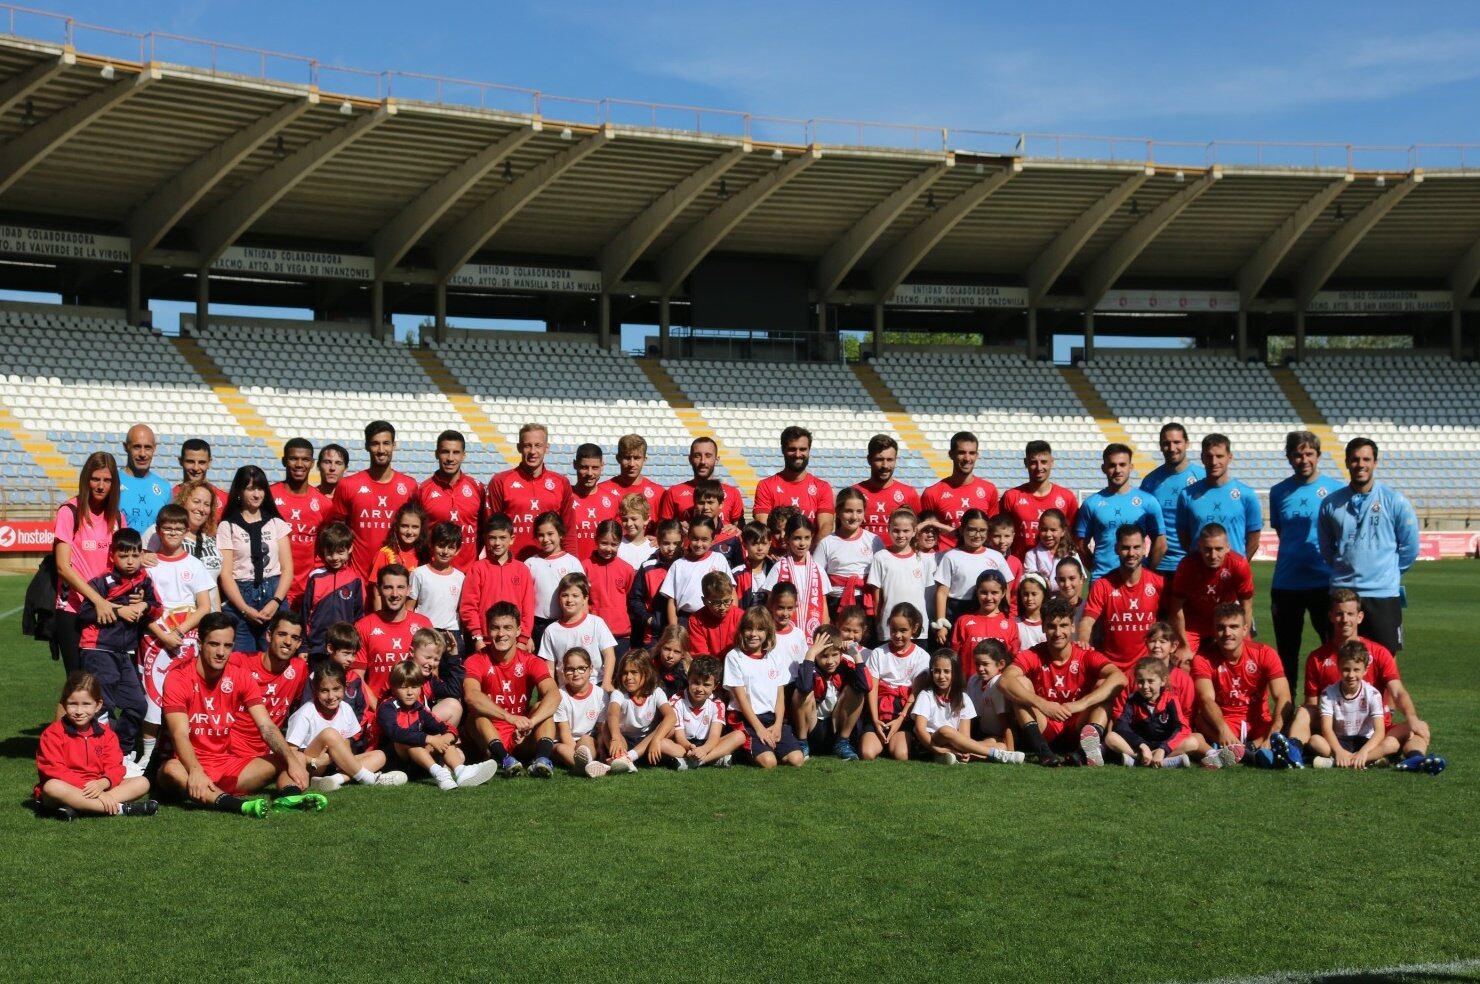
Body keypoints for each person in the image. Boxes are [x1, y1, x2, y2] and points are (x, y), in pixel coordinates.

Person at [157, 613, 318, 817]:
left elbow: (266, 727)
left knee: (294, 756)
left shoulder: (240, 676)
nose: (221, 653)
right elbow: (180, 733)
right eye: (214, 644)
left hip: (229, 766)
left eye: (228, 646)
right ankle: (237, 805)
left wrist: (292, 762)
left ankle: (290, 796)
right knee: (170, 770)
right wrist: (196, 770)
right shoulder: (177, 678)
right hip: (189, 765)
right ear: (199, 643)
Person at [1281, 589, 1440, 773]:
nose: (1345, 619)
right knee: (1304, 712)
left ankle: (1416, 760)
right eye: (1339, 614)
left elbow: (1397, 691)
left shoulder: (1379, 652)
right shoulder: (1317, 657)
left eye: (1350, 614)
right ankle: (1293, 754)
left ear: (1360, 617)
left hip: (1374, 729)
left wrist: (1412, 718)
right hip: (1335, 731)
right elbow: (1312, 705)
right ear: (1331, 616)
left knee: (1420, 728)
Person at [1317, 437, 1420, 654]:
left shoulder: (1394, 500)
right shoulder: (1330, 503)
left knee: (1385, 663)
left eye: (1366, 459)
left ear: (1375, 462)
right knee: (1341, 663)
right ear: (1346, 462)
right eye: (1355, 459)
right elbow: (1326, 548)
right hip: (1343, 594)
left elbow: (1410, 548)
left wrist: (1387, 572)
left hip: (1382, 595)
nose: (1360, 464)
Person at [1000, 597, 1125, 767]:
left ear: (1073, 626)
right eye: (1051, 626)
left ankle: (1083, 753)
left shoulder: (1085, 655)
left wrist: (1081, 704)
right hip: (1046, 727)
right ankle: (1043, 753)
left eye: (1063, 626)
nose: (1058, 633)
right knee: (1019, 685)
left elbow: (1120, 678)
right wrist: (1043, 704)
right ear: (1043, 627)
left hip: (1078, 726)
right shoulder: (1034, 654)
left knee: (1104, 686)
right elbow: (1004, 681)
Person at [135, 505, 213, 767]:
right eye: (167, 528)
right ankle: (147, 756)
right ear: (158, 530)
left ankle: (183, 753)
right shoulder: (148, 565)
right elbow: (142, 609)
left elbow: (204, 607)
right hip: (153, 640)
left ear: (186, 531)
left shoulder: (195, 565)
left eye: (179, 528)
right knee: (152, 699)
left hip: (186, 642)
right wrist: (162, 634)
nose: (173, 533)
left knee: (186, 697)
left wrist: (179, 631)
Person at [1268, 430, 1346, 689]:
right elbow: (1282, 531)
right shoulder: (1278, 491)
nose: (1304, 460)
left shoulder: (1335, 490)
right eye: (1298, 455)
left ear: (1319, 455)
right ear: (1289, 457)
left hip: (1323, 582)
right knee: (1287, 653)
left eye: (1309, 454)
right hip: (1287, 583)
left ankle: (1330, 708)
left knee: (1331, 650)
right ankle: (1288, 712)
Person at [76, 529, 161, 762]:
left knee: (137, 706)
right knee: (103, 707)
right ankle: (100, 756)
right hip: (98, 650)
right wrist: (117, 609)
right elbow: (83, 615)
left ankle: (121, 753)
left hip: (125, 653)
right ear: (112, 556)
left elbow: (156, 606)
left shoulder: (144, 581)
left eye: (134, 555)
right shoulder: (101, 582)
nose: (130, 561)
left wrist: (143, 606)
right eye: (124, 556)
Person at [35, 671, 155, 819]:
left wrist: (103, 783)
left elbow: (115, 767)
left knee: (142, 782)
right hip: (68, 787)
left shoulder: (107, 734)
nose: (79, 711)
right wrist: (95, 792)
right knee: (52, 787)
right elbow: (55, 770)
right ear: (64, 704)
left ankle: (78, 807)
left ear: (98, 705)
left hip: (99, 786)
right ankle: (121, 809)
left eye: (86, 704)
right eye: (73, 704)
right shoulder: (52, 733)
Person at [463, 600, 560, 778]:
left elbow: (554, 695)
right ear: (487, 630)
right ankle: (505, 760)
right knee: (476, 715)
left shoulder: (531, 661)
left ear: (518, 630)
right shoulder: (475, 660)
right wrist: (510, 717)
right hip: (488, 737)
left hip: (521, 735)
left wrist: (531, 722)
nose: (501, 634)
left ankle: (542, 760)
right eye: (495, 628)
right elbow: (471, 696)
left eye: (508, 627)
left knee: (542, 707)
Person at [52, 451, 127, 673]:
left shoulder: (118, 518)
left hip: (105, 609)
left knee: (97, 684)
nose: (101, 485)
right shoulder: (70, 511)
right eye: (96, 479)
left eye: (107, 480)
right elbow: (63, 567)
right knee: (77, 684)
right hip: (73, 609)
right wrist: (97, 600)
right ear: (86, 479)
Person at [283, 661, 406, 791]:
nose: (331, 696)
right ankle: (370, 779)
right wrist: (315, 762)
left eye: (336, 689)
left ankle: (334, 779)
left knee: (380, 755)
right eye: (324, 691)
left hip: (334, 764)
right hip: (313, 766)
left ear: (345, 687)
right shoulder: (304, 713)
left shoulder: (346, 708)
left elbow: (346, 741)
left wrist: (343, 760)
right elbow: (291, 754)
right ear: (315, 690)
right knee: (329, 734)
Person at [1191, 604, 1291, 762]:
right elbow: (1206, 699)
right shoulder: (1202, 659)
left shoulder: (1265, 653)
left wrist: (1273, 733)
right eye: (1221, 627)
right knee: (1199, 719)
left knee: (1286, 716)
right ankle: (1248, 753)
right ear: (1214, 630)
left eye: (1233, 627)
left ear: (1245, 629)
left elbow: (1283, 696)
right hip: (1223, 726)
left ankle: (1245, 750)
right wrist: (1223, 729)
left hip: (1259, 726)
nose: (1227, 633)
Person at [378, 659, 495, 790]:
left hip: (418, 762)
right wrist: (430, 739)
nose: (410, 692)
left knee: (445, 740)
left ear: (421, 687)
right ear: (393, 688)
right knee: (407, 740)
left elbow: (443, 725)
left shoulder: (419, 708)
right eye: (404, 687)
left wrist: (448, 736)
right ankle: (440, 773)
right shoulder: (387, 707)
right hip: (395, 762)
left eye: (414, 686)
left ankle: (461, 771)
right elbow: (395, 733)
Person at [216, 465, 294, 653]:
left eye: (260, 489)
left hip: (273, 593)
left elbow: (288, 568)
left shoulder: (276, 523)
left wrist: (275, 601)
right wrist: (244, 608)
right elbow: (226, 574)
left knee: (275, 656)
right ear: (240, 491)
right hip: (240, 596)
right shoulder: (227, 526)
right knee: (241, 660)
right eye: (250, 489)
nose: (257, 494)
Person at [329, 421, 418, 580]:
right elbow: (336, 532)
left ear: (394, 445)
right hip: (356, 578)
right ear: (366, 446)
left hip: (395, 581)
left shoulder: (410, 486)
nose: (381, 450)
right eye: (375, 444)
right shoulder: (348, 485)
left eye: (386, 443)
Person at [1078, 525, 1165, 682]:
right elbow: (1087, 620)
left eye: (1136, 547)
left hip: (1147, 669)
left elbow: (1170, 620)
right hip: (1112, 669)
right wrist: (1083, 640)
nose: (1131, 553)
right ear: (1116, 548)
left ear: (1145, 548)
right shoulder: (1103, 585)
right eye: (1125, 548)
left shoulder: (1158, 583)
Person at [722, 607, 805, 769]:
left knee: (797, 759)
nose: (753, 634)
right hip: (747, 720)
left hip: (772, 718)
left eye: (760, 629)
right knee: (769, 762)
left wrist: (779, 724)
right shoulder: (734, 657)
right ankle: (741, 750)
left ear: (768, 632)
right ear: (741, 631)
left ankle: (767, 745)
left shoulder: (774, 656)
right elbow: (741, 699)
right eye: (749, 628)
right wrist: (759, 729)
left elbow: (780, 695)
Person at [1075, 444, 1166, 581]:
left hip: (1137, 580)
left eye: (1122, 464)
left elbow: (1160, 542)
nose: (1117, 470)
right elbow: (1080, 544)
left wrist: (1147, 570)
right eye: (1112, 465)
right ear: (1103, 468)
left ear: (1131, 467)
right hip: (1102, 578)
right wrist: (1097, 567)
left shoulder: (1148, 501)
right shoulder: (1091, 503)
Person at [486, 422, 575, 561]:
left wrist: (571, 564)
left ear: (547, 447)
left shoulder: (561, 483)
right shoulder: (500, 481)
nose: (533, 451)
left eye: (538, 445)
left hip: (549, 566)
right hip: (511, 565)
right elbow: (490, 529)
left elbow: (568, 530)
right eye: (527, 445)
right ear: (519, 448)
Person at [1303, 641, 1394, 770]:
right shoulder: (1328, 694)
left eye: (1356, 670)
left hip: (1365, 741)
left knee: (1392, 743)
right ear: (1338, 668)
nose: (1351, 675)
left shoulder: (1373, 694)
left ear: (1365, 670)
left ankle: (1345, 761)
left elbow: (1379, 731)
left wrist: (1363, 752)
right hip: (1340, 741)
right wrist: (1339, 751)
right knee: (1315, 740)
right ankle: (1365, 761)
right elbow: (1326, 729)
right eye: (1346, 669)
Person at [1167, 524, 1254, 657]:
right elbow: (1176, 608)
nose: (1213, 555)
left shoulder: (1239, 564)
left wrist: (1244, 637)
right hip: (1193, 622)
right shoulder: (1187, 565)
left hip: (1226, 620)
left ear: (1227, 547)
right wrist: (1184, 644)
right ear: (1199, 547)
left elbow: (1246, 606)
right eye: (1207, 549)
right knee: (1181, 659)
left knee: (1243, 655)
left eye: (1218, 549)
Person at [913, 649, 1013, 765]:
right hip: (932, 740)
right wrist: (937, 749)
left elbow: (965, 735)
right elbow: (920, 729)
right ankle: (994, 754)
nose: (941, 676)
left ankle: (955, 755)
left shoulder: (964, 698)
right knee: (946, 730)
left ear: (955, 673)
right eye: (937, 671)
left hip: (955, 742)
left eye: (946, 671)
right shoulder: (926, 695)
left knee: (999, 744)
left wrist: (965, 749)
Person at [1175, 433, 1262, 560]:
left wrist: (1239, 565)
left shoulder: (1246, 495)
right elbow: (1184, 536)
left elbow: (1254, 538)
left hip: (1233, 574)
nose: (1214, 462)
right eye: (1209, 456)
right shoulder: (1187, 495)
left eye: (1219, 456)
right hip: (1200, 574)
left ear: (1229, 457)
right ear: (1202, 458)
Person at [861, 603, 930, 761]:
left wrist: (900, 719)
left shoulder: (922, 656)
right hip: (878, 710)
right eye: (893, 630)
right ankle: (881, 737)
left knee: (900, 755)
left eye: (903, 630)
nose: (897, 635)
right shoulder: (879, 653)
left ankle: (899, 740)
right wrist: (875, 719)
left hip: (903, 712)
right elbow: (872, 688)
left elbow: (916, 692)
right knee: (867, 753)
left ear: (914, 628)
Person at [460, 514, 535, 654]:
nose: (497, 543)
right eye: (492, 538)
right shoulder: (477, 568)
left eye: (502, 537)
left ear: (512, 539)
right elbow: (469, 606)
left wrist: (524, 638)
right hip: (485, 641)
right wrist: (477, 637)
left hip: (514, 641)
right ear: (486, 540)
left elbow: (528, 608)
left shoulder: (522, 570)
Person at [353, 565, 433, 695]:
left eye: (400, 587)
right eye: (388, 587)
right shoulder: (363, 626)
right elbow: (357, 678)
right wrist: (378, 709)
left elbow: (432, 673)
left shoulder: (423, 624)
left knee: (453, 706)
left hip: (415, 710)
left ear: (408, 590)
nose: (395, 594)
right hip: (376, 709)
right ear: (378, 590)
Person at [932, 509, 1012, 637]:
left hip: (988, 609)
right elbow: (942, 592)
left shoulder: (996, 556)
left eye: (982, 530)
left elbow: (1006, 589)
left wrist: (1005, 615)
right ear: (962, 530)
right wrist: (941, 623)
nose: (977, 535)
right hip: (957, 611)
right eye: (972, 529)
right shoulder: (951, 556)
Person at [1107, 656, 1198, 768]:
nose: (1145, 686)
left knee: (1193, 742)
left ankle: (1142, 760)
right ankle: (1148, 759)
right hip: (1139, 746)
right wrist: (1142, 745)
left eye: (1150, 681)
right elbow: (1122, 725)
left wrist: (1163, 749)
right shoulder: (1132, 700)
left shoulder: (1170, 700)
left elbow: (1182, 728)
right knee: (1110, 737)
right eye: (1140, 681)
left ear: (1163, 681)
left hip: (1164, 745)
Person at [271, 437, 331, 608]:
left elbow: (324, 546)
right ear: (284, 461)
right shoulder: (269, 497)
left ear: (312, 463)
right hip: (273, 588)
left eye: (305, 459)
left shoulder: (323, 504)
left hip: (308, 591)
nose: (299, 464)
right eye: (293, 458)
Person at [1139, 422, 1205, 577]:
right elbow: (1141, 525)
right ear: (1161, 446)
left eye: (1177, 442)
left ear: (1187, 444)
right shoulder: (1150, 481)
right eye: (1166, 443)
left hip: (1195, 564)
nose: (1172, 447)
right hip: (1160, 565)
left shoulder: (1202, 477)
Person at [793, 625, 867, 761]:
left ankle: (842, 743)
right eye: (824, 656)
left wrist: (855, 655)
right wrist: (810, 654)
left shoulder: (845, 665)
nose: (830, 661)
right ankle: (802, 743)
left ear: (841, 653)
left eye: (835, 655)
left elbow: (865, 687)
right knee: (802, 693)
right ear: (816, 654)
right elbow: (803, 688)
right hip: (813, 727)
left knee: (857, 692)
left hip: (835, 726)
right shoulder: (809, 666)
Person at [415, 429, 484, 572]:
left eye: (456, 452)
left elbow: (485, 530)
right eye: (445, 452)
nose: (450, 458)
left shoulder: (477, 488)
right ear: (436, 454)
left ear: (464, 455)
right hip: (434, 572)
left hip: (469, 574)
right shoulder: (423, 490)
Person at [1000, 440, 1079, 562]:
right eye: (1033, 462)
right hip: (1020, 569)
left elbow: (1073, 535)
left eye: (1043, 462)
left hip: (1055, 571)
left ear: (1052, 462)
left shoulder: (1067, 498)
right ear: (1025, 463)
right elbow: (1000, 532)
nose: (1039, 467)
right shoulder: (1011, 497)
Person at [538, 571, 619, 691]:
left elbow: (609, 654)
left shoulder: (596, 623)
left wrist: (606, 682)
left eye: (575, 596)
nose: (569, 600)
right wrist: (552, 691)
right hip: (565, 689)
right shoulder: (551, 631)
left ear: (585, 599)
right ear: (559, 598)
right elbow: (549, 667)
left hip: (595, 683)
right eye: (565, 595)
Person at [921, 431, 999, 551]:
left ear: (977, 455)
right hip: (944, 558)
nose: (967, 458)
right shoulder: (932, 493)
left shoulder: (989, 490)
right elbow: (924, 530)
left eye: (972, 453)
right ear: (951, 454)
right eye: (961, 453)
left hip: (977, 559)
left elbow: (993, 529)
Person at [753, 425, 836, 538]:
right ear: (783, 450)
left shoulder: (822, 487)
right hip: (775, 555)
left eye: (802, 449)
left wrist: (809, 554)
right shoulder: (766, 486)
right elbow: (763, 527)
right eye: (792, 449)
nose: (798, 454)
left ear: (809, 450)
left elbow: (826, 526)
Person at [662, 656, 744, 768]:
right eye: (696, 682)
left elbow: (715, 735)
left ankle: (698, 761)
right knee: (662, 743)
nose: (700, 689)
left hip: (708, 744)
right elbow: (679, 736)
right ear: (688, 679)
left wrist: (704, 750)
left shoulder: (718, 704)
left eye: (706, 685)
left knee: (739, 736)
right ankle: (714, 759)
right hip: (685, 745)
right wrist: (691, 748)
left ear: (715, 686)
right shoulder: (676, 700)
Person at [603, 649, 676, 772]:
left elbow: (671, 716)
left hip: (647, 741)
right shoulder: (619, 693)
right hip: (623, 739)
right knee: (606, 728)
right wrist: (615, 738)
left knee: (670, 728)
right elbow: (613, 713)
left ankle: (628, 758)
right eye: (625, 673)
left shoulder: (656, 692)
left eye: (634, 672)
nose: (629, 677)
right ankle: (621, 757)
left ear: (646, 674)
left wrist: (657, 739)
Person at [814, 487, 883, 616]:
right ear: (838, 512)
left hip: (865, 602)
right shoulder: (827, 543)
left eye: (859, 511)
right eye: (848, 511)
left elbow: (882, 576)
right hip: (835, 603)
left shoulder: (874, 541)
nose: (854, 517)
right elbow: (816, 579)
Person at [762, 514, 832, 642]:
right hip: (782, 634)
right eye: (797, 538)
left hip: (813, 635)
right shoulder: (779, 568)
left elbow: (824, 606)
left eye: (807, 538)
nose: (802, 543)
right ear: (787, 538)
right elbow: (769, 604)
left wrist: (824, 632)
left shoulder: (818, 569)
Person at [300, 522, 364, 659]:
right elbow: (305, 613)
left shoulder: (354, 579)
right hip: (317, 646)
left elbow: (358, 617)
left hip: (343, 648)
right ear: (323, 551)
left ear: (350, 548)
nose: (334, 558)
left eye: (340, 552)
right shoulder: (315, 576)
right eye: (330, 552)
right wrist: (304, 646)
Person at [865, 508, 929, 643]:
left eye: (906, 531)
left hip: (918, 629)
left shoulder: (923, 559)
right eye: (896, 530)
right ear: (888, 530)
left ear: (914, 531)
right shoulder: (881, 557)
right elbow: (877, 598)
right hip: (890, 628)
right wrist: (877, 623)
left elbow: (926, 597)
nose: (900, 535)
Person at [657, 436, 745, 530]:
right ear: (690, 459)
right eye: (697, 456)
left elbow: (740, 530)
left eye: (708, 455)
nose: (703, 461)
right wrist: (677, 528)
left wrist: (737, 530)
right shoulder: (674, 492)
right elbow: (662, 531)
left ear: (716, 459)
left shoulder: (733, 493)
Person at [162, 479, 224, 612]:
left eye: (206, 504)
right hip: (179, 619)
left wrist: (218, 615)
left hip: (210, 621)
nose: (201, 509)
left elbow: (213, 584)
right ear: (183, 502)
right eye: (196, 502)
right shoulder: (165, 532)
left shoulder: (213, 538)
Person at [659, 515, 733, 627]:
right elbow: (672, 601)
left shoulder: (719, 559)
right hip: (686, 620)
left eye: (704, 539)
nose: (699, 544)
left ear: (713, 539)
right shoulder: (678, 565)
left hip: (715, 618)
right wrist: (674, 630)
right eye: (695, 539)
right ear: (688, 537)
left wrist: (731, 620)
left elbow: (732, 592)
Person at [526, 511, 584, 647]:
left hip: (566, 623)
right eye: (541, 535)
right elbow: (523, 600)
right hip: (537, 626)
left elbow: (583, 598)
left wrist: (581, 625)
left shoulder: (572, 562)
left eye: (550, 534)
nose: (545, 539)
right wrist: (526, 634)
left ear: (561, 534)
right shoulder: (530, 563)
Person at [551, 647, 611, 777]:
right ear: (563, 671)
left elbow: (602, 730)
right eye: (570, 669)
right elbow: (565, 734)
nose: (576, 673)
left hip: (586, 741)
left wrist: (602, 751)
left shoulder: (601, 694)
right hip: (565, 742)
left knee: (586, 740)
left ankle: (585, 765)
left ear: (590, 669)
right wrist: (574, 753)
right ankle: (588, 767)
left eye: (581, 668)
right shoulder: (559, 695)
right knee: (560, 749)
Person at [852, 434, 922, 539]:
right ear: (869, 459)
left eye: (890, 460)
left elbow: (918, 532)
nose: (885, 465)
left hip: (897, 555)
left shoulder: (909, 493)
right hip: (861, 555)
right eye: (879, 459)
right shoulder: (854, 492)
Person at [407, 522, 465, 648]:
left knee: (453, 667)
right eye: (441, 546)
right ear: (432, 545)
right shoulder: (419, 573)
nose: (445, 551)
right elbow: (409, 608)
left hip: (451, 633)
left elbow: (461, 610)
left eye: (451, 547)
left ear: (457, 550)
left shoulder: (460, 577)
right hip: (425, 632)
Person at [964, 640, 1022, 762]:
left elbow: (1006, 723)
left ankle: (962, 751)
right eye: (977, 664)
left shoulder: (998, 683)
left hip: (1003, 736)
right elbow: (970, 717)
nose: (980, 668)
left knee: (1001, 746)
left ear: (1000, 664)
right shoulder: (974, 680)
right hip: (983, 732)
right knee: (991, 743)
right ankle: (964, 749)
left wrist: (1010, 752)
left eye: (985, 664)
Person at [629, 519, 682, 648]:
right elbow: (635, 599)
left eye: (676, 543)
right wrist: (649, 619)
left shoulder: (688, 564)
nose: (671, 548)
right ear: (658, 541)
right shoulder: (648, 566)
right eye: (666, 543)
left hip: (682, 631)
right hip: (654, 635)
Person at [601, 434, 666, 535]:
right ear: (618, 458)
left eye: (637, 458)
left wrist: (659, 539)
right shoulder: (603, 490)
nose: (631, 464)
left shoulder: (659, 493)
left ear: (645, 459)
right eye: (627, 458)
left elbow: (666, 530)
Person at [949, 570, 1020, 656]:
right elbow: (955, 655)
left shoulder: (1010, 623)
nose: (989, 598)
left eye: (994, 593)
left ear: (1003, 593)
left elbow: (1013, 656)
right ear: (977, 592)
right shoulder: (963, 621)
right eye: (984, 593)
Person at [568, 443, 618, 562]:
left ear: (602, 466)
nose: (590, 473)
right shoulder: (565, 498)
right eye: (584, 467)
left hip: (602, 571)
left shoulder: (612, 500)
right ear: (575, 465)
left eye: (595, 468)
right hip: (571, 572)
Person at [119, 424, 170, 535]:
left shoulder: (164, 488)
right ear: (125, 447)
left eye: (147, 447)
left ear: (154, 448)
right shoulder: (112, 482)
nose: (142, 454)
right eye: (137, 447)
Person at [408, 628, 464, 730]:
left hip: (421, 724)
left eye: (436, 659)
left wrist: (453, 657)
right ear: (412, 652)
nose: (431, 663)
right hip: (401, 731)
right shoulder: (402, 674)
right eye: (427, 657)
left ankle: (443, 741)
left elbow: (454, 691)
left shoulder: (429, 679)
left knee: (454, 705)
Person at [687, 571, 741, 658]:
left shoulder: (740, 616)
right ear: (705, 601)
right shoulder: (696, 621)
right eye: (716, 603)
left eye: (727, 601)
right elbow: (701, 656)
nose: (722, 607)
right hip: (710, 668)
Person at [174, 438, 227, 518]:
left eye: (202, 462)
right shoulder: (170, 497)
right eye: (190, 461)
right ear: (181, 461)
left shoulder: (224, 498)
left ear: (209, 462)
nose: (196, 468)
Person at [1023, 507, 1073, 583]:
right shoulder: (1031, 555)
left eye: (1053, 530)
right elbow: (1032, 583)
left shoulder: (1071, 553)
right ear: (1039, 529)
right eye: (1044, 529)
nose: (1048, 534)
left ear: (1063, 531)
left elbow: (1078, 582)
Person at [617, 494, 656, 569]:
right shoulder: (616, 546)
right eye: (625, 519)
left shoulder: (653, 548)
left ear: (646, 519)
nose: (629, 524)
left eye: (634, 519)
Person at [1014, 573, 1048, 648]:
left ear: (1043, 595)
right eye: (1026, 594)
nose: (1029, 598)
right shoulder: (1015, 624)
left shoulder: (1049, 623)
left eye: (1034, 594)